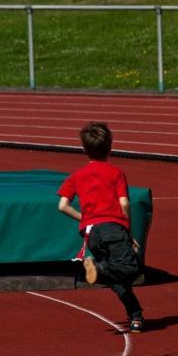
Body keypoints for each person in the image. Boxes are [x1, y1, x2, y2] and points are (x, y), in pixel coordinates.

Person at [57, 121, 144, 333]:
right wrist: (128, 232)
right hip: (113, 227)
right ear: (110, 147)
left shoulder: (77, 175)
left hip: (91, 233)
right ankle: (97, 269)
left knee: (118, 279)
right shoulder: (116, 173)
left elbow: (62, 206)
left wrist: (84, 218)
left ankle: (135, 316)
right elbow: (124, 203)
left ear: (84, 149)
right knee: (130, 267)